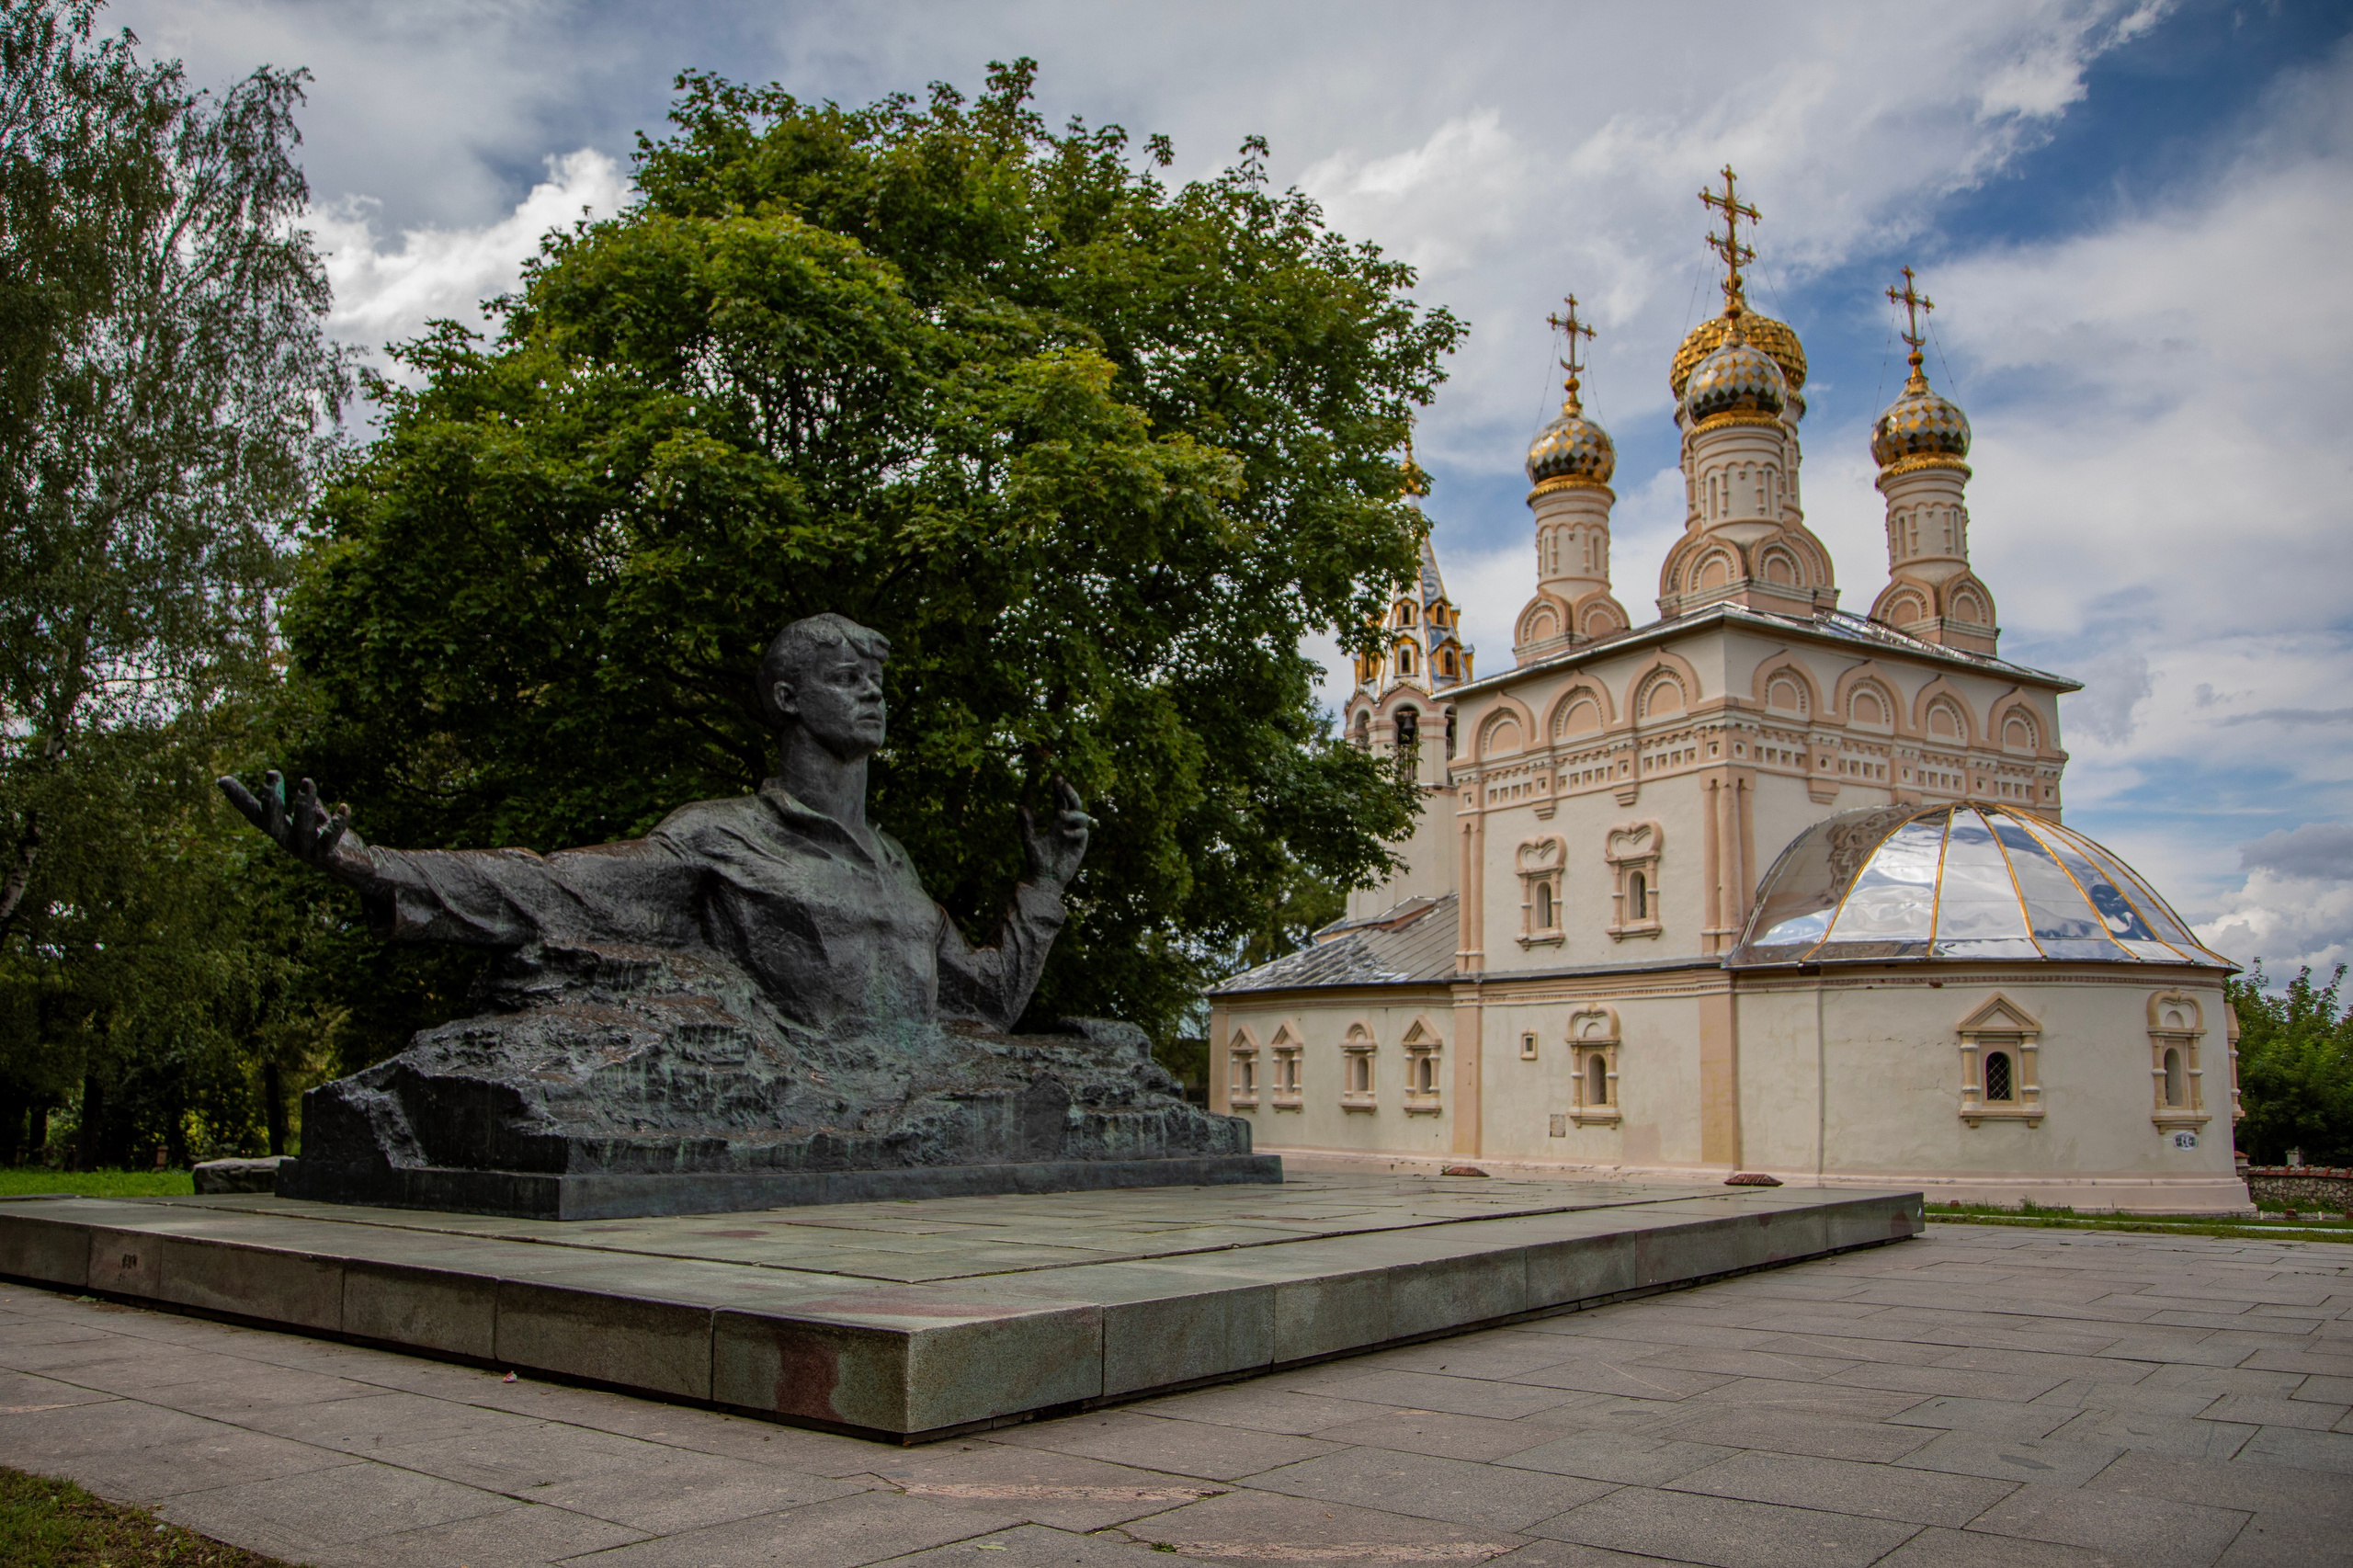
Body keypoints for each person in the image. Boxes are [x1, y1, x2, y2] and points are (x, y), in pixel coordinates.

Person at [222, 614, 1093, 1040]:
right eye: (846, 677)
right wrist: (368, 866)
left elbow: (988, 1002)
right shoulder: (720, 837)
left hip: (906, 1114)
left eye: (877, 681)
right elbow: (547, 882)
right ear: (788, 699)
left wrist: (1046, 883)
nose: (872, 694)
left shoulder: (895, 866)